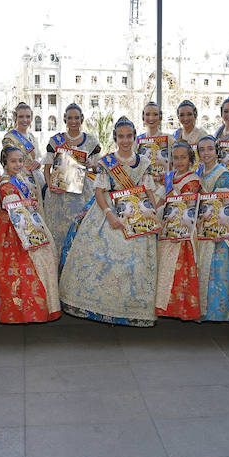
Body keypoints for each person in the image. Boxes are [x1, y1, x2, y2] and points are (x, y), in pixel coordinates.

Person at [59, 116, 159, 327]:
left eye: (129, 136)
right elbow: (99, 192)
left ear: (134, 137)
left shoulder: (145, 163)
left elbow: (149, 191)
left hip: (136, 213)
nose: (125, 140)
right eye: (121, 136)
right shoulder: (107, 162)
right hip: (107, 211)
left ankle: (132, 309)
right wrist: (109, 215)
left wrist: (155, 213)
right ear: (115, 138)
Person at [0, 146, 60, 323]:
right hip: (13, 227)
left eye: (20, 160)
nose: (17, 164)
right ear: (4, 162)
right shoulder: (6, 183)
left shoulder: (19, 178)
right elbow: (14, 208)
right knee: (18, 268)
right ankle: (21, 311)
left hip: (25, 220)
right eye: (13, 161)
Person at [42, 102, 101, 252]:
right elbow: (47, 168)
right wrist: (50, 187)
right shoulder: (55, 141)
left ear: (82, 119)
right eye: (70, 118)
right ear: (65, 119)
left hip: (82, 194)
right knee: (59, 231)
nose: (73, 121)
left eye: (76, 118)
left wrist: (89, 163)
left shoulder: (91, 141)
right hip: (58, 196)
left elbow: (98, 168)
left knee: (79, 229)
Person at [154, 141, 201, 321]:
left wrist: (178, 230)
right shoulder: (170, 176)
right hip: (166, 224)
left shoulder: (193, 180)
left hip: (182, 229)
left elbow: (187, 208)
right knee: (165, 266)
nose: (179, 161)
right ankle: (163, 306)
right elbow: (162, 199)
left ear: (190, 159)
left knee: (179, 268)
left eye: (183, 157)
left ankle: (179, 308)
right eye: (176, 157)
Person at [194, 136, 229, 323]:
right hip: (202, 223)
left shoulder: (223, 173)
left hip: (218, 225)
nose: (206, 153)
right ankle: (203, 310)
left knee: (218, 268)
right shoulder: (199, 171)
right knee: (203, 266)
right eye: (202, 149)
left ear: (216, 151)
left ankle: (219, 311)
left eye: (210, 149)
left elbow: (222, 203)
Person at [2, 102, 46, 210]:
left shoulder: (32, 137)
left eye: (27, 117)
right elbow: (8, 161)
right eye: (21, 116)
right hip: (19, 180)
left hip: (35, 180)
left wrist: (38, 162)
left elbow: (38, 156)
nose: (24, 120)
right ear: (15, 118)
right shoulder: (10, 138)